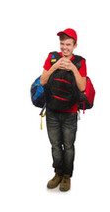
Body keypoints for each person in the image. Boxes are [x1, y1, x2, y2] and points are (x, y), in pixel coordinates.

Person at [39, 28, 86, 192]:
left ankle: (67, 176)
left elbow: (82, 87)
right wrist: (55, 67)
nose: (64, 47)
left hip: (70, 113)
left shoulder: (80, 62)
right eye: (62, 44)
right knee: (55, 146)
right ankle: (57, 173)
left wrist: (72, 68)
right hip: (51, 111)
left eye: (68, 44)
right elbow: (42, 81)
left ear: (75, 45)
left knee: (69, 146)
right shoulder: (52, 57)